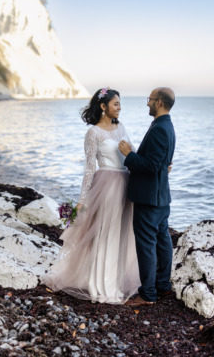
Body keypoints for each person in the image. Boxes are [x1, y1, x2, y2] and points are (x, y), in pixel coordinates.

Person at [44, 87, 140, 303]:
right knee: (106, 233)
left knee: (122, 233)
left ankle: (116, 279)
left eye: (120, 103)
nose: (120, 107)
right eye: (116, 104)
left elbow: (132, 153)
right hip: (106, 186)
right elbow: (89, 169)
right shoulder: (93, 133)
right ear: (103, 107)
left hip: (126, 184)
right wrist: (82, 202)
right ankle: (102, 284)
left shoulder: (121, 127)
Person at [118, 87, 176, 306]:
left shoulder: (161, 129)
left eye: (150, 99)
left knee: (146, 245)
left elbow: (151, 166)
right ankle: (163, 285)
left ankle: (148, 294)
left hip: (149, 198)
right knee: (163, 240)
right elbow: (162, 163)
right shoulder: (166, 126)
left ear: (159, 102)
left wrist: (129, 155)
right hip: (161, 197)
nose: (147, 103)